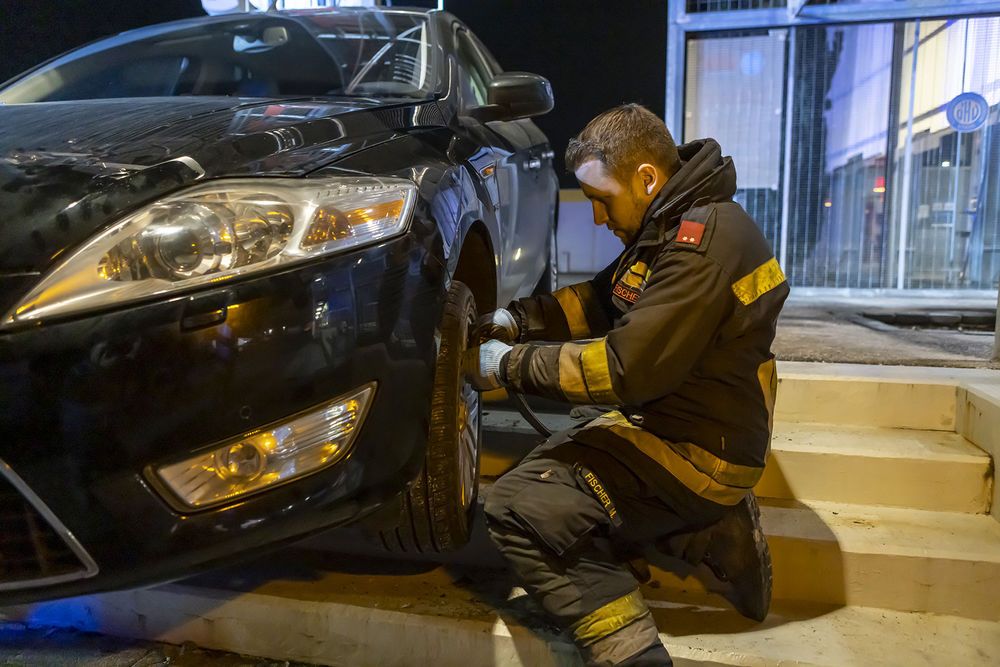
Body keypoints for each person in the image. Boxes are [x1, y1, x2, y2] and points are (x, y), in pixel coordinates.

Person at [463, 104, 789, 666]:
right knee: (563, 458)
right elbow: (601, 298)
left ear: (645, 178)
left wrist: (508, 365)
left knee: (519, 506)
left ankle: (632, 653)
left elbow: (623, 369)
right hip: (692, 423)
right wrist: (517, 319)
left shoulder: (702, 244)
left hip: (698, 449)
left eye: (602, 199)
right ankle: (707, 531)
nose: (596, 217)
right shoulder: (673, 222)